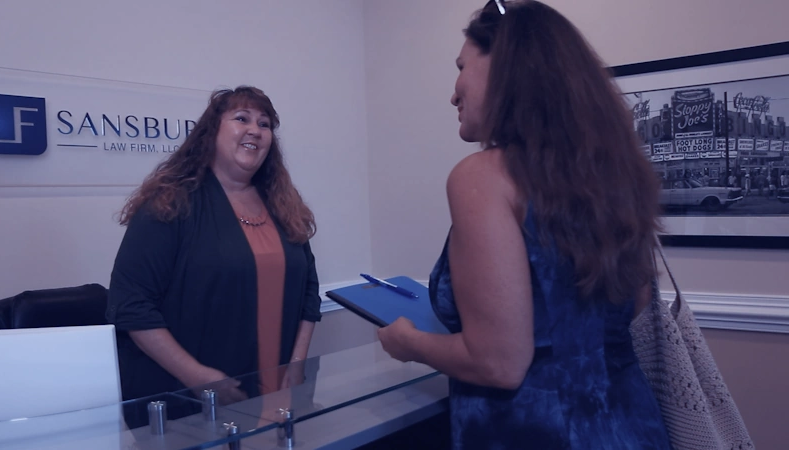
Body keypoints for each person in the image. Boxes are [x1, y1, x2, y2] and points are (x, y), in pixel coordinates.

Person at [377, 1, 672, 448]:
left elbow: (499, 363)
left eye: (461, 67)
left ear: (506, 67)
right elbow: (632, 310)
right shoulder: (617, 178)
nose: (453, 92)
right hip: (630, 425)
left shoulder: (482, 177)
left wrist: (408, 343)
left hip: (533, 432)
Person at [107, 86, 322, 414]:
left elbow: (309, 290)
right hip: (191, 399)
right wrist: (197, 377)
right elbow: (131, 305)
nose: (256, 130)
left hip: (278, 393)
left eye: (265, 124)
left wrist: (296, 363)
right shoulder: (170, 204)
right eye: (242, 118)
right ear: (211, 132)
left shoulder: (284, 206)